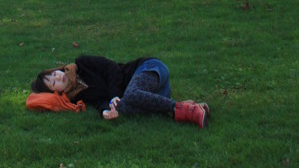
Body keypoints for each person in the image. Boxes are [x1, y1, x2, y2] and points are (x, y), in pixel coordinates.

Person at [30, 54, 209, 127]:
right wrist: (105, 111)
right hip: (152, 94)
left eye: (54, 74)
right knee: (122, 108)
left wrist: (114, 95)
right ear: (57, 92)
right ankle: (189, 107)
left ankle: (187, 112)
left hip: (149, 69)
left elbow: (112, 69)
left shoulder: (82, 63)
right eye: (53, 83)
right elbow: (98, 102)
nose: (58, 77)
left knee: (127, 97)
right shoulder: (79, 96)